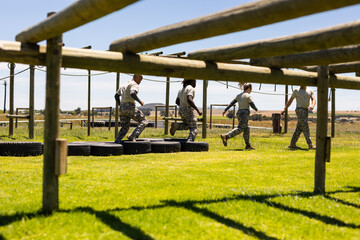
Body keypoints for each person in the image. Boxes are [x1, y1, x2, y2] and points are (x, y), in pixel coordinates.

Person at [220, 83, 258, 150]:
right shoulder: (248, 96)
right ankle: (226, 136)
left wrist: (225, 110)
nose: (251, 90)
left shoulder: (239, 95)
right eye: (251, 89)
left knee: (247, 128)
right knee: (240, 128)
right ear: (249, 88)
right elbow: (252, 104)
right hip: (245, 113)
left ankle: (248, 145)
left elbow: (232, 103)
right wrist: (256, 109)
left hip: (239, 113)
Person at [114, 74, 148, 143]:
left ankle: (117, 142)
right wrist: (140, 101)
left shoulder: (124, 84)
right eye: (140, 79)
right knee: (144, 121)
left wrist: (121, 105)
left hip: (122, 107)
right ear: (137, 76)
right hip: (130, 106)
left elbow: (116, 96)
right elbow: (132, 93)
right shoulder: (134, 84)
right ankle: (133, 136)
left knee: (124, 127)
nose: (140, 82)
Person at [281, 85, 316, 150]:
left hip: (306, 110)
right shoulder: (296, 91)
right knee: (305, 126)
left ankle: (292, 144)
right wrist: (284, 109)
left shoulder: (310, 91)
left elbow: (313, 99)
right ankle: (310, 144)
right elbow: (290, 100)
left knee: (299, 128)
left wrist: (312, 105)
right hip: (299, 110)